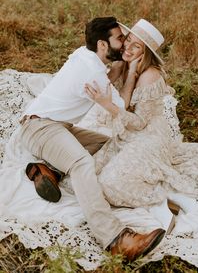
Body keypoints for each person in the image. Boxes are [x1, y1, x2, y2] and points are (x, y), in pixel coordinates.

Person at [20, 16, 165, 261]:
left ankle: (49, 171)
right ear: (103, 45)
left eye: (127, 39)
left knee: (105, 145)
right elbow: (121, 106)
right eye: (121, 39)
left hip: (54, 126)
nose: (124, 44)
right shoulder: (94, 73)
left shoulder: (85, 54)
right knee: (82, 164)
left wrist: (120, 66)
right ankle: (115, 238)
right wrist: (130, 72)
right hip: (40, 129)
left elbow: (105, 81)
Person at [85, 19, 198, 211]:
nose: (127, 47)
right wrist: (125, 72)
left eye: (136, 46)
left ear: (145, 53)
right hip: (126, 129)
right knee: (89, 170)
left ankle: (169, 201)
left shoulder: (150, 76)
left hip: (150, 135)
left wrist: (109, 106)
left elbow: (139, 123)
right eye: (127, 40)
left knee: (110, 183)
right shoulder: (123, 63)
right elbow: (113, 92)